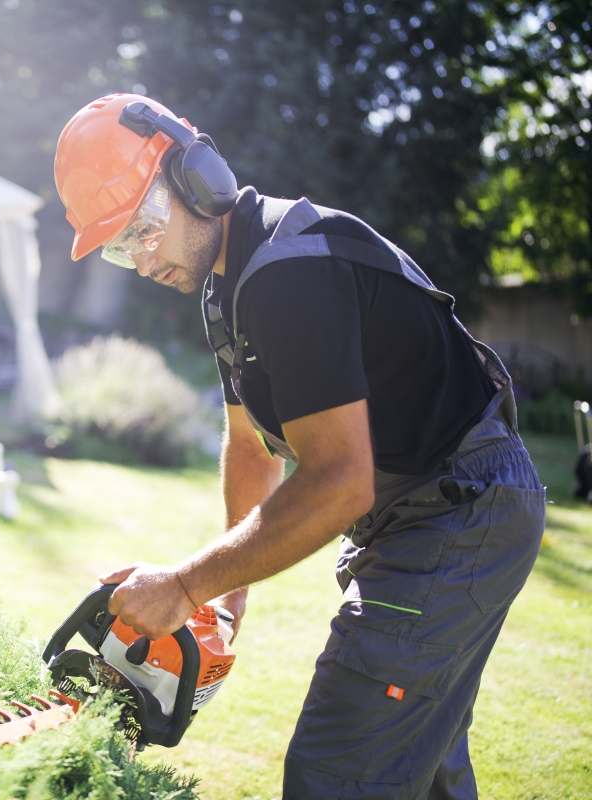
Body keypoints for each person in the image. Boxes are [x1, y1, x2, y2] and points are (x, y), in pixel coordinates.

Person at [53, 93, 546, 799]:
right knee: (418, 763)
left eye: (145, 227)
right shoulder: (228, 287)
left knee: (337, 771)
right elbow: (252, 448)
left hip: (461, 507)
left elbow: (340, 482)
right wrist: (229, 595)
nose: (142, 257)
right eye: (119, 247)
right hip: (423, 511)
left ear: (199, 177)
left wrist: (188, 585)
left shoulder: (289, 273)